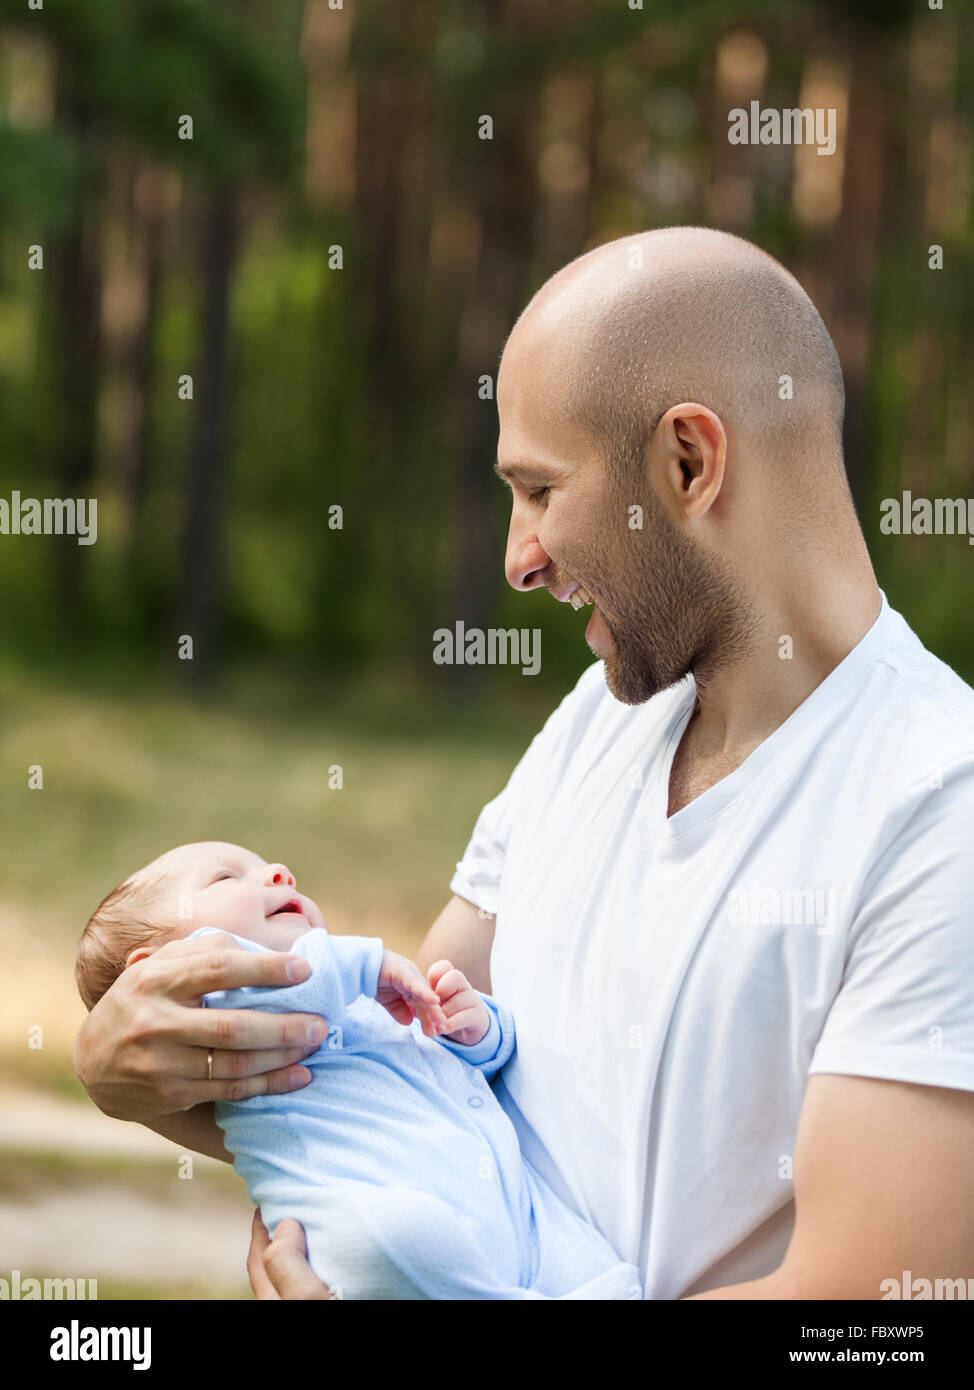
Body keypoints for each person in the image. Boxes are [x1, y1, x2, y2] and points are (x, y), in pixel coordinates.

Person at [74, 227, 974, 1299]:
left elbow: (867, 1311)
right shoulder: (595, 725)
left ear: (689, 461)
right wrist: (124, 1076)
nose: (517, 557)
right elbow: (401, 1073)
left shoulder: (936, 810)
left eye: (540, 490)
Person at [74, 841, 642, 1299]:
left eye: (265, 865)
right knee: (408, 1241)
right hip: (374, 1219)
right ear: (154, 978)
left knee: (588, 1266)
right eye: (225, 880)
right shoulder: (232, 1005)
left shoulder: (356, 999)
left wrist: (479, 1032)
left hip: (508, 1204)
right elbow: (282, 976)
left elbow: (464, 1070)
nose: (278, 871)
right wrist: (367, 961)